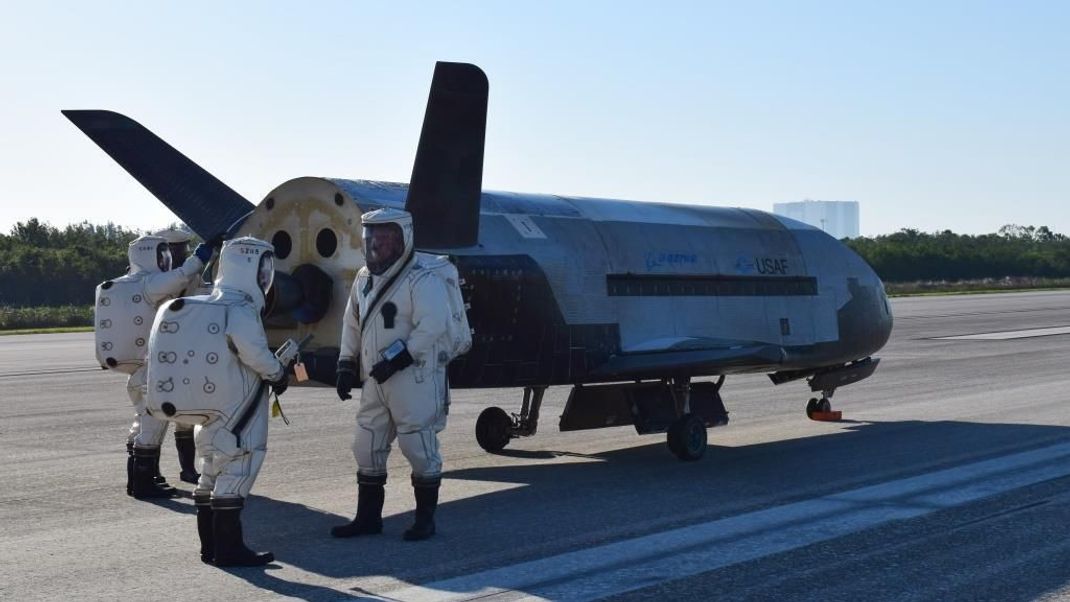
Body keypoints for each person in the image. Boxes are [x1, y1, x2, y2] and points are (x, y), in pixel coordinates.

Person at [146, 236, 289, 566]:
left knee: (209, 477)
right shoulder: (240, 310)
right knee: (236, 474)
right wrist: (279, 373)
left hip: (207, 417)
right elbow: (256, 355)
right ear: (255, 269)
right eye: (265, 269)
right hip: (237, 416)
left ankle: (209, 548)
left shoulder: (205, 303)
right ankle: (229, 549)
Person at [332, 207, 458, 542]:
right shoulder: (363, 278)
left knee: (418, 443)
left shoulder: (421, 278)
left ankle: (425, 521)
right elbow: (352, 323)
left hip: (413, 376)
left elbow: (433, 325)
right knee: (366, 444)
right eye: (371, 237)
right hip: (376, 377)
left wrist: (401, 358)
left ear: (404, 239)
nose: (376, 246)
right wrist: (346, 363)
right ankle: (368, 518)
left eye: (385, 238)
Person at [95, 234, 213, 499]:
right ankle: (143, 483)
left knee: (140, 425)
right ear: (151, 256)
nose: (166, 260)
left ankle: (140, 479)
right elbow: (183, 275)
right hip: (149, 371)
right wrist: (204, 253)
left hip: (134, 371)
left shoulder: (124, 284)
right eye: (163, 255)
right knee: (152, 428)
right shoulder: (149, 284)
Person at [153, 227, 209, 484]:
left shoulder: (189, 273)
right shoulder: (162, 277)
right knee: (155, 420)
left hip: (189, 349)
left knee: (184, 417)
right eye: (178, 248)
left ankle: (187, 469)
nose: (182, 252)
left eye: (184, 247)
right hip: (167, 352)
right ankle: (150, 470)